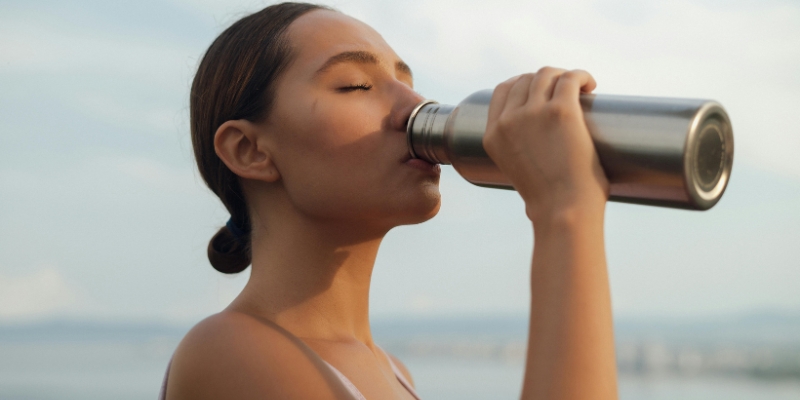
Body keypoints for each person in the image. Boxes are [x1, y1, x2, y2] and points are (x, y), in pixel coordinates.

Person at [162, 2, 616, 399]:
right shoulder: (229, 351)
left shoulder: (394, 372)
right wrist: (565, 212)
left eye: (408, 83)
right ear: (250, 150)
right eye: (356, 85)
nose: (416, 106)